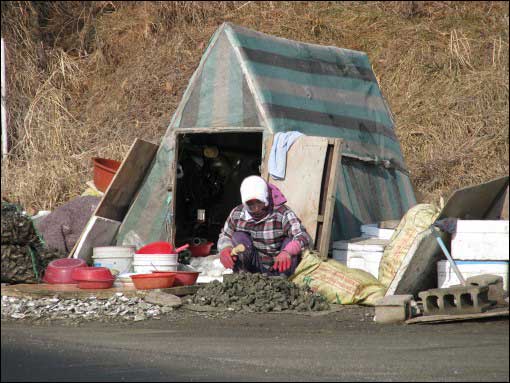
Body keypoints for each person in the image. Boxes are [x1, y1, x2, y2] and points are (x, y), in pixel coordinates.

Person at [217, 175, 311, 277]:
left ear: (266, 198)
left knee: (290, 243)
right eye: (250, 204)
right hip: (255, 265)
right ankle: (243, 277)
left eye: (259, 202)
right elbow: (225, 235)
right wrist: (225, 248)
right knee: (237, 237)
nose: (256, 208)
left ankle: (284, 281)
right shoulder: (237, 214)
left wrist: (288, 252)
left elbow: (303, 236)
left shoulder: (282, 213)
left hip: (279, 263)